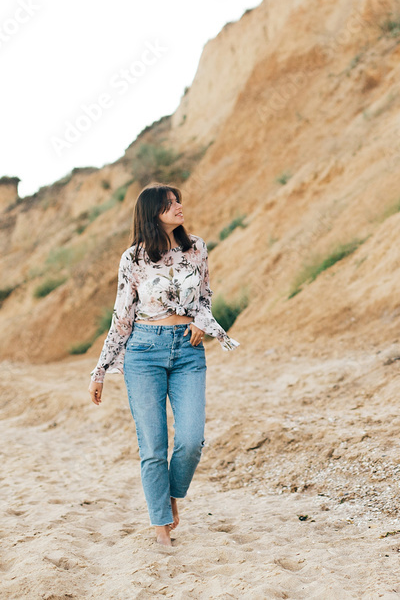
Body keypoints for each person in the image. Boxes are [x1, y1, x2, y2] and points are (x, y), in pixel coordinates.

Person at [88, 182, 240, 546]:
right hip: (144, 351)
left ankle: (172, 495)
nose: (178, 206)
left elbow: (205, 297)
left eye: (178, 200)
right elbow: (122, 316)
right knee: (153, 447)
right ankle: (161, 530)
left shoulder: (196, 248)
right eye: (169, 203)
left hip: (188, 352)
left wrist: (203, 322)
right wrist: (100, 371)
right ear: (151, 212)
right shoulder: (133, 258)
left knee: (191, 440)